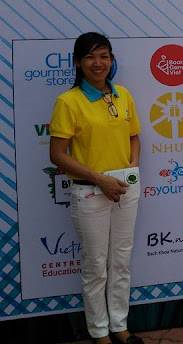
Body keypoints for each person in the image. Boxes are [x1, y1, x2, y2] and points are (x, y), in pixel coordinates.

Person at [50, 32, 143, 344]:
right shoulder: (68, 101)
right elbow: (57, 155)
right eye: (90, 57)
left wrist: (131, 167)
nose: (98, 63)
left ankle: (120, 326)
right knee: (95, 267)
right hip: (90, 192)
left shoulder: (123, 95)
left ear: (112, 60)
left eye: (104, 56)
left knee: (121, 262)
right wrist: (99, 179)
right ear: (78, 62)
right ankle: (100, 332)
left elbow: (134, 137)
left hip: (125, 189)